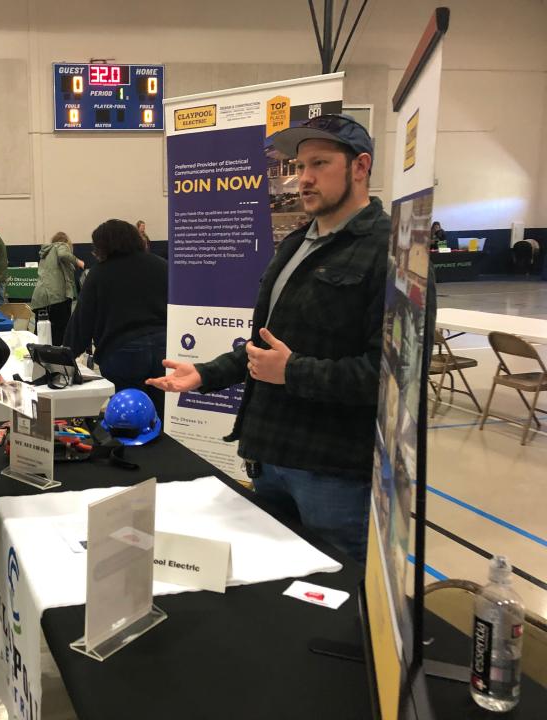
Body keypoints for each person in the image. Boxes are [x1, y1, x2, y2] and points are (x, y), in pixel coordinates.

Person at [147, 114, 387, 564]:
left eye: (319, 163)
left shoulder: (388, 252)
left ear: (360, 167)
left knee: (339, 603)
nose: (304, 178)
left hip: (331, 477)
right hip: (269, 460)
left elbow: (390, 377)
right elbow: (264, 347)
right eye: (300, 165)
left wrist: (292, 372)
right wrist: (204, 373)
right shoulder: (296, 245)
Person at [65, 219, 167, 416]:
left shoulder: (99, 274)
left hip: (122, 351)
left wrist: (66, 356)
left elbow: (82, 320)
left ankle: (132, 446)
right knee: (162, 411)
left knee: (129, 415)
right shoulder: (162, 266)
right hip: (164, 348)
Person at [29, 231, 84, 345]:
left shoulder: (46, 253)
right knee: (59, 333)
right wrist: (78, 261)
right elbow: (63, 254)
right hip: (56, 298)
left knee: (40, 333)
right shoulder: (60, 246)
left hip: (40, 298)